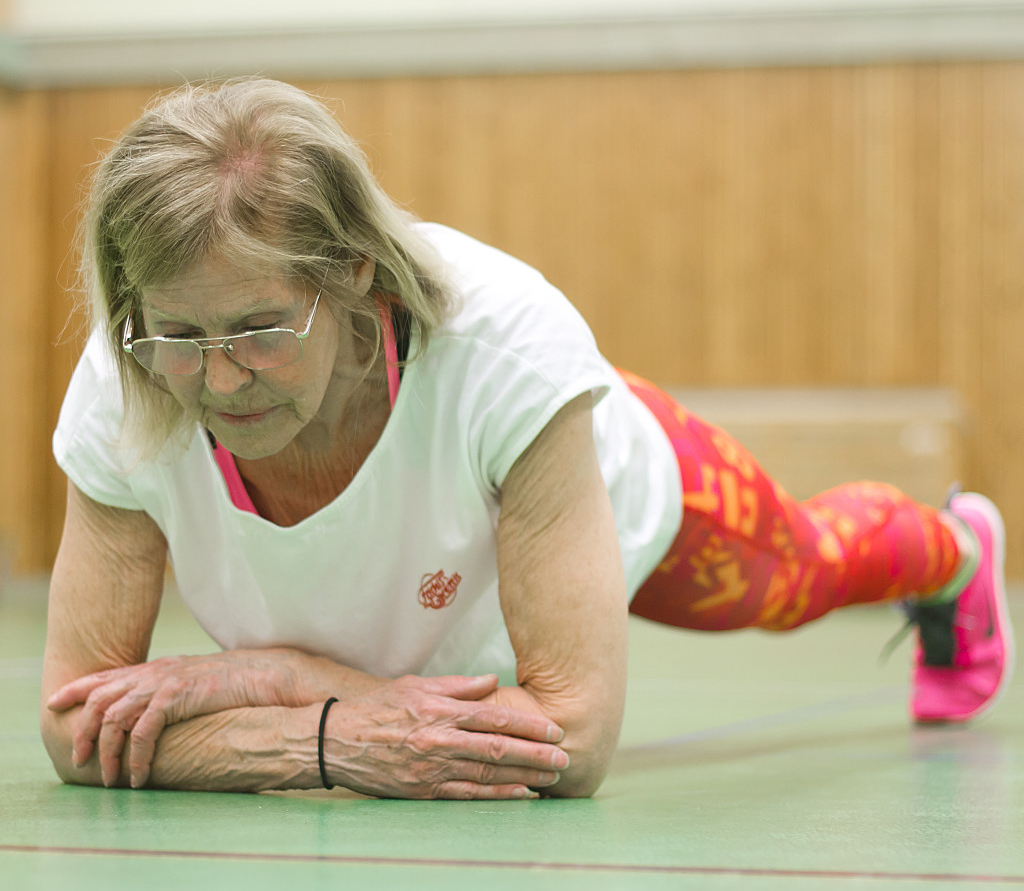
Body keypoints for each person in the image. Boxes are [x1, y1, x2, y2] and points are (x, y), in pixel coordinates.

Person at [41, 78, 1014, 801]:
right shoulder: (128, 381)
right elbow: (75, 727)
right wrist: (331, 735)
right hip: (401, 647)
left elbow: (570, 740)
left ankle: (956, 551)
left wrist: (272, 680)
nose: (214, 379)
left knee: (804, 567)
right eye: (179, 335)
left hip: (614, 499)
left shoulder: (512, 356)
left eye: (258, 333)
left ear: (351, 276)